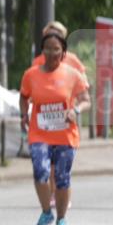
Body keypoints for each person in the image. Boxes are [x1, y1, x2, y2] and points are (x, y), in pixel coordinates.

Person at [19, 31, 91, 225]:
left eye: (56, 49)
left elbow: (86, 100)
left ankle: (61, 218)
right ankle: (45, 212)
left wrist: (75, 110)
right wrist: (24, 114)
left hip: (65, 135)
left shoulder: (72, 74)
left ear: (63, 52)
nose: (51, 53)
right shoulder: (31, 75)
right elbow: (24, 97)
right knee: (40, 173)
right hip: (39, 134)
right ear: (42, 51)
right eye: (47, 49)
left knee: (62, 178)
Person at [31, 21, 88, 209]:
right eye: (48, 34)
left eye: (56, 34)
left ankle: (59, 193)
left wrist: (76, 109)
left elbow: (84, 90)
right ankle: (54, 194)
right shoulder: (39, 61)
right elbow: (32, 86)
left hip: (65, 120)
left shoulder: (72, 61)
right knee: (47, 164)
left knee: (60, 165)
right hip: (44, 122)